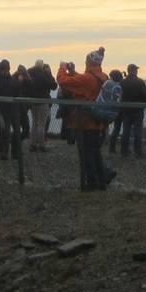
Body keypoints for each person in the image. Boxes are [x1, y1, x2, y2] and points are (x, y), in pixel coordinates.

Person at [57, 51, 111, 191]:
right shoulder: (103, 77)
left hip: (85, 122)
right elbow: (84, 81)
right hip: (98, 121)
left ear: (89, 62)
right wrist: (74, 72)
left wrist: (62, 68)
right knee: (95, 153)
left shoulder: (88, 79)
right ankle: (101, 181)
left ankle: (91, 183)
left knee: (87, 155)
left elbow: (62, 81)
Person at [117, 64, 146, 157]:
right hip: (138, 110)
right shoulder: (140, 82)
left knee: (125, 131)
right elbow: (145, 96)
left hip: (126, 110)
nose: (136, 71)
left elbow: (119, 96)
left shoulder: (122, 82)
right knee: (137, 132)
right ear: (133, 71)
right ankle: (138, 152)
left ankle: (124, 152)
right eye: (136, 69)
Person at [27, 60, 57, 151]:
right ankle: (41, 145)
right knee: (41, 124)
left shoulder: (29, 73)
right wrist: (49, 74)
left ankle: (33, 144)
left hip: (33, 102)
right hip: (43, 101)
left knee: (34, 123)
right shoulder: (44, 75)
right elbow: (54, 86)